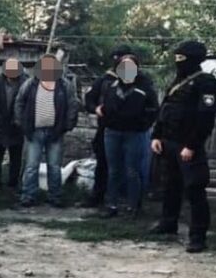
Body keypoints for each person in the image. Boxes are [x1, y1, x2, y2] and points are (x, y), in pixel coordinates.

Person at [150, 40, 216, 253]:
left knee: (194, 189)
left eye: (181, 58)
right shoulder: (178, 81)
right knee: (170, 185)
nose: (178, 62)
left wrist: (192, 145)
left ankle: (198, 236)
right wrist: (157, 135)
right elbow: (165, 109)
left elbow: (205, 117)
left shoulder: (206, 82)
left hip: (188, 145)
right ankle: (168, 223)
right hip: (169, 142)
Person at [15, 54, 79, 208]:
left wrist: (67, 125)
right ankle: (28, 196)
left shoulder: (64, 85)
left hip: (55, 132)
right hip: (34, 132)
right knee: (31, 166)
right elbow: (19, 103)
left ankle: (55, 196)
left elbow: (73, 105)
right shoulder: (30, 84)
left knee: (54, 167)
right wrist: (21, 123)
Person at [100, 54, 159, 218]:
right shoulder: (112, 86)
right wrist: (106, 117)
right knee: (113, 170)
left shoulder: (145, 87)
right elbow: (105, 105)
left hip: (135, 134)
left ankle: (133, 207)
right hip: (112, 132)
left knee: (132, 170)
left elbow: (154, 110)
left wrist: (142, 125)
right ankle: (111, 205)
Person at [82, 45, 135, 208]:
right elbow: (89, 100)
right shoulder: (104, 79)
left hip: (131, 130)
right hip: (106, 129)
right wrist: (96, 109)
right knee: (103, 164)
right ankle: (98, 197)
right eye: (117, 59)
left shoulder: (139, 80)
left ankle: (127, 200)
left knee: (129, 166)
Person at [0, 58, 27, 193]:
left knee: (15, 158)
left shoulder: (25, 82)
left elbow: (26, 103)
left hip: (16, 126)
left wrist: (19, 119)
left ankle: (13, 184)